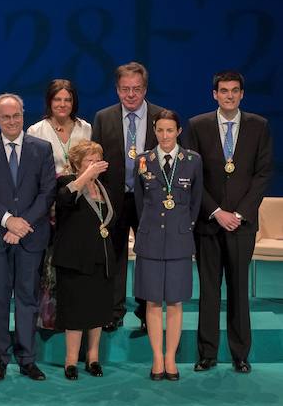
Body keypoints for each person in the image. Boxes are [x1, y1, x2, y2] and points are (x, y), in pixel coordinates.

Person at [183, 71, 273, 374]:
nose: (230, 96)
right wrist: (216, 212)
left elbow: (262, 174)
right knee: (209, 290)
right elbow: (193, 175)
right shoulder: (197, 126)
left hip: (242, 225)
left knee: (238, 289)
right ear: (214, 95)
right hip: (209, 223)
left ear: (242, 94)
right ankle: (207, 354)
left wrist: (239, 214)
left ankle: (240, 354)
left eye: (235, 91)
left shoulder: (259, 126)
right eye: (224, 91)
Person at [0, 93, 56, 381]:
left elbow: (47, 193)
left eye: (16, 115)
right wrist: (8, 221)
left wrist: (23, 224)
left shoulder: (41, 149)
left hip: (31, 236)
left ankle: (27, 358)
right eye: (6, 117)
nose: (12, 121)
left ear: (23, 115)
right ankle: (0, 358)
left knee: (27, 298)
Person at [91, 62, 165, 332]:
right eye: (125, 89)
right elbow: (96, 159)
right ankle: (113, 311)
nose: (130, 95)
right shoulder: (104, 117)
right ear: (117, 89)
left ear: (145, 89)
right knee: (115, 256)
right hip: (115, 200)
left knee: (149, 257)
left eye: (136, 89)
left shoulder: (161, 117)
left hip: (150, 201)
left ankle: (148, 312)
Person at [133, 110, 202, 381]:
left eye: (169, 131)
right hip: (150, 241)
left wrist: (182, 229)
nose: (164, 136)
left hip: (179, 241)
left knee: (174, 303)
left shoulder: (193, 161)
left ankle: (171, 359)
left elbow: (195, 204)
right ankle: (157, 359)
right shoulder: (143, 161)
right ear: (154, 130)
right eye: (160, 130)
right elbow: (140, 203)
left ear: (178, 131)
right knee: (152, 302)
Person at [27, 79, 93, 329]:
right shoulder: (36, 130)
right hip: (48, 204)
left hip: (77, 204)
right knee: (47, 261)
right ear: (49, 102)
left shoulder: (85, 128)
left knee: (72, 261)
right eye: (58, 99)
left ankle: (73, 314)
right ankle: (46, 316)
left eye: (67, 99)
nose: (63, 104)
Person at [52, 140, 115, 380]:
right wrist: (84, 176)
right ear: (77, 163)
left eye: (97, 159)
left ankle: (93, 357)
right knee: (76, 312)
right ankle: (70, 361)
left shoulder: (103, 187)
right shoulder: (67, 183)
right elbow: (63, 201)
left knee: (97, 311)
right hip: (75, 259)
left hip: (101, 257)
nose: (94, 164)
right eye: (89, 160)